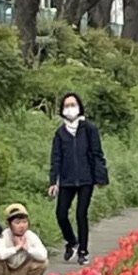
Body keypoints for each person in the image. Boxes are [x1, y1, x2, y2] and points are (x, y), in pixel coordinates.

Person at [48, 93, 108, 266]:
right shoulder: (60, 133)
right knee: (60, 213)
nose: (70, 108)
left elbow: (97, 153)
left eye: (73, 104)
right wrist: (54, 181)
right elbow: (56, 158)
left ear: (80, 107)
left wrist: (100, 177)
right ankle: (71, 241)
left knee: (81, 214)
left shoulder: (89, 128)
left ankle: (83, 250)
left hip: (86, 178)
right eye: (67, 105)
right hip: (67, 179)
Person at [0, 202, 49, 275]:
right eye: (17, 223)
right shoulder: (4, 235)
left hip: (22, 273)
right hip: (5, 273)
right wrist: (16, 248)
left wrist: (27, 249)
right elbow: (0, 253)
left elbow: (43, 255)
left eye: (24, 222)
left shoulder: (30, 236)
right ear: (9, 224)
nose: (22, 226)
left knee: (43, 262)